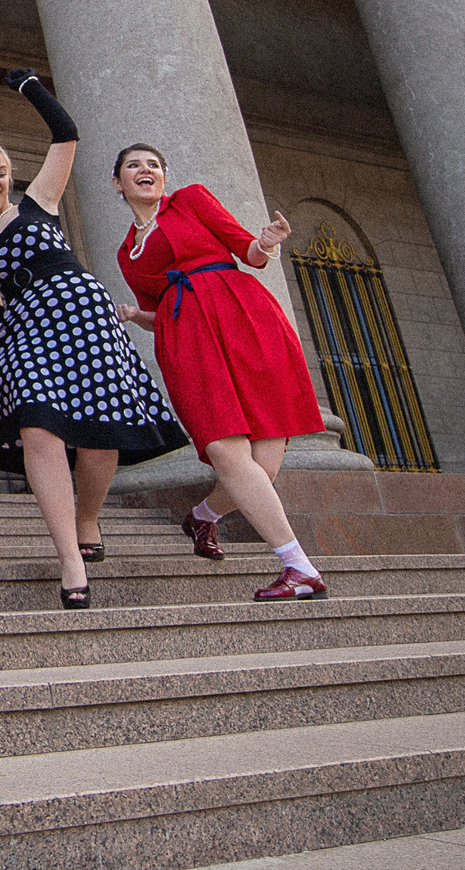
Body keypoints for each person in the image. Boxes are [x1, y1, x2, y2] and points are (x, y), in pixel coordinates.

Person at [0, 70, 185, 609]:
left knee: (102, 436)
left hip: (81, 310)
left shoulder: (38, 201)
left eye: (1, 171)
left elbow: (67, 134)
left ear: (11, 177)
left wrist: (29, 86)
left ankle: (87, 518)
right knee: (39, 428)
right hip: (28, 326)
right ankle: (69, 559)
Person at [113, 144, 331, 601]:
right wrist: (136, 316)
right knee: (228, 453)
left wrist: (267, 241)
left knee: (263, 464)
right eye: (133, 165)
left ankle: (202, 517)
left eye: (153, 164)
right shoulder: (127, 253)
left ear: (164, 178)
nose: (145, 170)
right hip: (187, 341)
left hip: (244, 319)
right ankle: (298, 567)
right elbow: (161, 310)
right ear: (118, 183)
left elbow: (247, 251)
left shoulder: (191, 200)